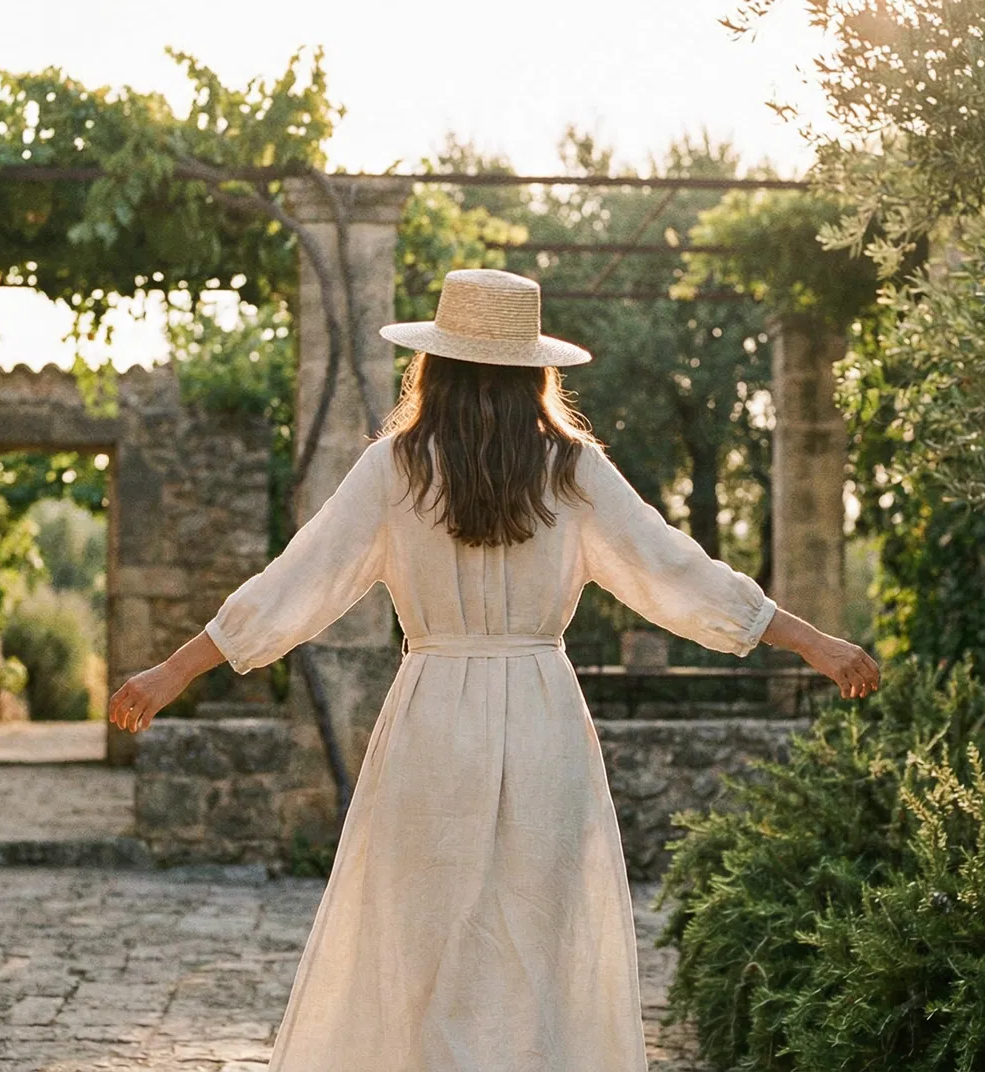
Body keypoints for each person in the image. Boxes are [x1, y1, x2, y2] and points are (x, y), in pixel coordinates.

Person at [108, 268, 880, 1071]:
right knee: (535, 958)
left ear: (433, 366)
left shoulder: (395, 468)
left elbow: (296, 584)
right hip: (542, 713)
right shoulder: (571, 469)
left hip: (432, 720)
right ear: (533, 370)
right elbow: (677, 572)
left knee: (423, 953)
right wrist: (813, 643)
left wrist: (174, 669)